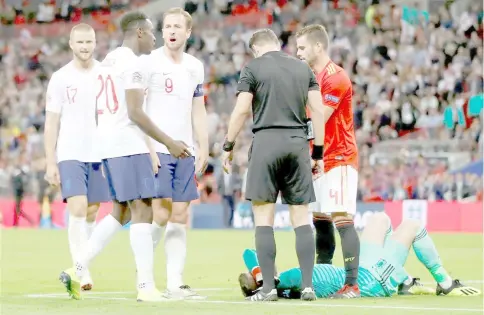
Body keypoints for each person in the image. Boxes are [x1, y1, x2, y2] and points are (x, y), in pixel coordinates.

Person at [59, 12, 190, 302]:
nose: (156, 38)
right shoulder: (133, 64)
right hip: (127, 144)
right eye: (153, 32)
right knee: (143, 208)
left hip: (108, 143)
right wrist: (168, 142)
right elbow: (134, 111)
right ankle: (146, 287)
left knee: (122, 210)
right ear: (140, 32)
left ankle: (79, 266)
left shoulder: (107, 62)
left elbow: (99, 109)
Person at [221, 28, 326, 302]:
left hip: (266, 142)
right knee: (301, 218)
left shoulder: (252, 68)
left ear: (255, 49)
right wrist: (318, 153)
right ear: (278, 45)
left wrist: (228, 146)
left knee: (263, 219)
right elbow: (318, 110)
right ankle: (307, 287)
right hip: (296, 142)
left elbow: (242, 110)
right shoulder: (303, 69)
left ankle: (268, 288)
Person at [238, 213, 481, 298]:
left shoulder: (285, 281)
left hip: (361, 268)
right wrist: (260, 279)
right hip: (373, 280)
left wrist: (258, 275)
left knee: (379, 219)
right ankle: (445, 283)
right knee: (412, 226)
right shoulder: (289, 279)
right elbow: (255, 259)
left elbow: (248, 253)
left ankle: (405, 281)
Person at [142, 7, 209, 300]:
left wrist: (203, 146)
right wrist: (148, 148)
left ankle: (175, 283)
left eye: (177, 27)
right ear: (162, 31)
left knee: (180, 213)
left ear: (188, 32)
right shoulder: (149, 63)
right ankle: (144, 275)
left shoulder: (195, 67)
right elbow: (139, 110)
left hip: (184, 150)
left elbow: (198, 109)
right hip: (157, 147)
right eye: (167, 26)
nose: (171, 31)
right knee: (160, 212)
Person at [44, 23, 110, 292]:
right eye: (80, 42)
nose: (85, 47)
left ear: (95, 43)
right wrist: (50, 161)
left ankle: (82, 263)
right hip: (70, 152)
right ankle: (80, 271)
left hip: (100, 152)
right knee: (78, 207)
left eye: (89, 42)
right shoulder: (60, 78)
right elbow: (51, 122)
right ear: (71, 44)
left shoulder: (106, 75)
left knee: (93, 209)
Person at [296, 24, 361, 298]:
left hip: (339, 158)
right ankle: (324, 278)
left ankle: (352, 285)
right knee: (319, 218)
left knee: (341, 218)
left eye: (301, 47)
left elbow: (320, 115)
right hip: (318, 158)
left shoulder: (335, 77)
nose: (298, 52)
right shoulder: (311, 75)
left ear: (318, 47)